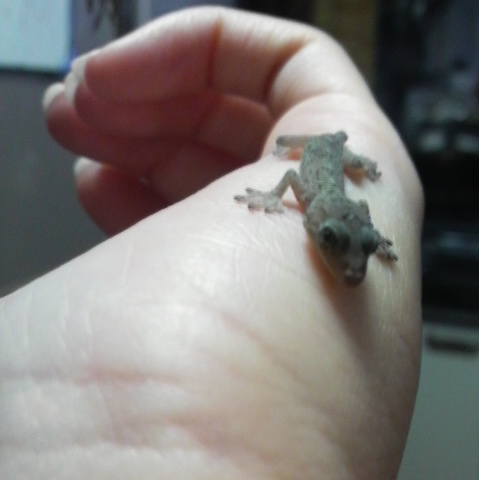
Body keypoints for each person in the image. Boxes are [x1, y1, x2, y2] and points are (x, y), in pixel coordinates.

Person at [1, 6, 423, 479]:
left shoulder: (339, 208)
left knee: (342, 155)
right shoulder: (309, 195)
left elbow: (359, 211)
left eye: (355, 245)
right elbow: (289, 175)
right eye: (333, 241)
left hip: (333, 149)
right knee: (311, 145)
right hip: (319, 145)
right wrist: (273, 194)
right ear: (314, 222)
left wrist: (372, 221)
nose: (353, 268)